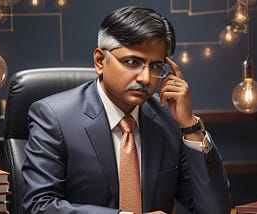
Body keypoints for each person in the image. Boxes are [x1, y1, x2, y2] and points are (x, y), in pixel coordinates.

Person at [22, 6, 232, 214]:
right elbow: (38, 206)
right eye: (132, 62)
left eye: (156, 66)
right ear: (100, 61)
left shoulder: (170, 120)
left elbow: (215, 210)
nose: (145, 78)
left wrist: (190, 127)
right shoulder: (54, 117)